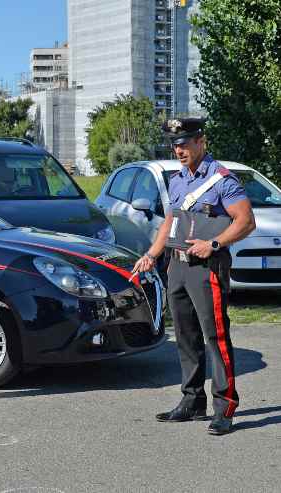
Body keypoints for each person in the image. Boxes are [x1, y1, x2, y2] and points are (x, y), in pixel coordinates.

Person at [132, 117, 255, 435]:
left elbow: (245, 222)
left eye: (185, 143)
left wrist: (214, 243)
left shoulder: (222, 180)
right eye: (175, 144)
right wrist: (152, 255)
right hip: (179, 267)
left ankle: (225, 406)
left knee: (216, 338)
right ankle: (191, 400)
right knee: (186, 338)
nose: (179, 149)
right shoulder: (177, 180)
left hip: (207, 269)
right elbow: (169, 222)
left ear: (202, 141)